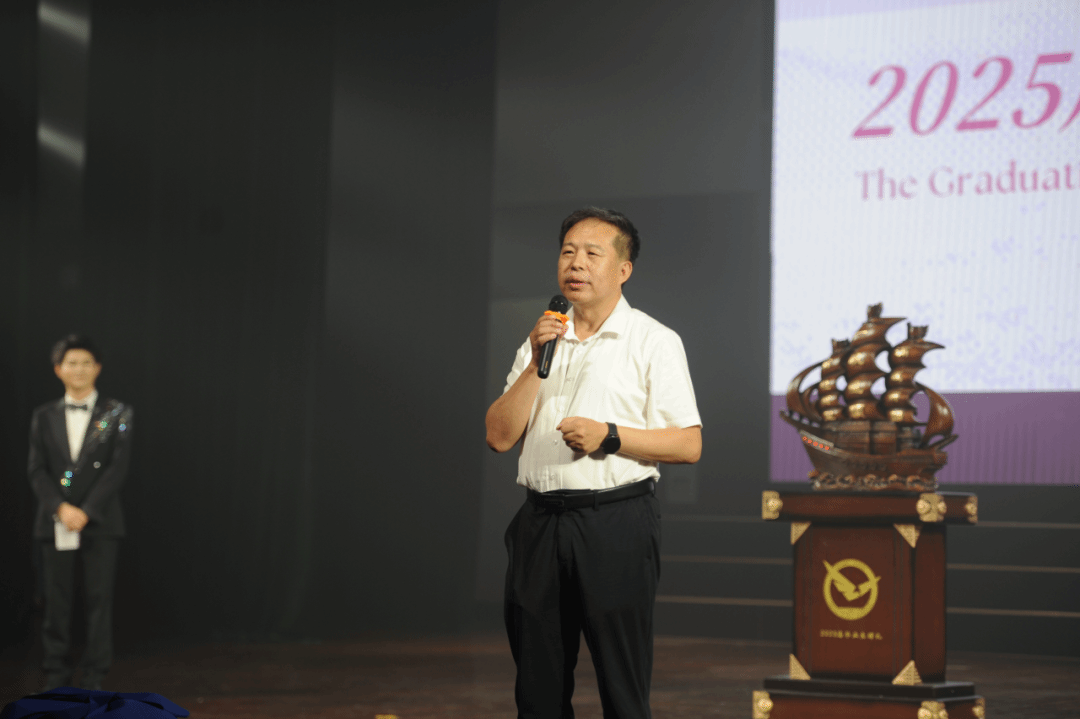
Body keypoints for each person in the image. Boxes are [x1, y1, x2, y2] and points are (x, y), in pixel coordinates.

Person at [486, 208, 702, 719]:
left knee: (622, 687)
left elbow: (688, 444)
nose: (575, 264)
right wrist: (537, 361)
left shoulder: (653, 340)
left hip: (615, 522)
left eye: (591, 254)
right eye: (567, 252)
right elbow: (499, 436)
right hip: (540, 523)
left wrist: (610, 436)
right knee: (536, 690)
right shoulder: (541, 339)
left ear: (623, 270)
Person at [27, 335, 134, 691]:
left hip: (100, 520)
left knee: (99, 601)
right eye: (71, 363)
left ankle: (94, 676)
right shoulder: (43, 416)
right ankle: (56, 672)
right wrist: (60, 508)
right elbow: (36, 470)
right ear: (58, 369)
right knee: (55, 600)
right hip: (56, 520)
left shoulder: (117, 413)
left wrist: (86, 511)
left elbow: (117, 468)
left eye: (87, 363)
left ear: (97, 368)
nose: (79, 369)